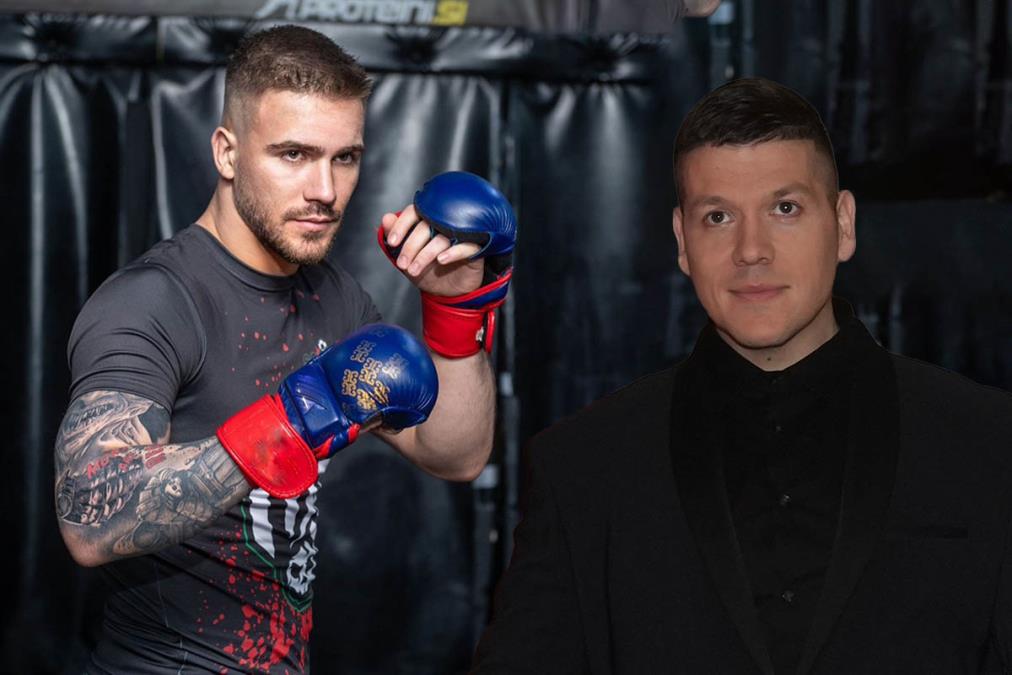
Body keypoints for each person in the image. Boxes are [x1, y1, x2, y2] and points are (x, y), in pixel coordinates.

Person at [471, 77, 1012, 674]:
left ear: (843, 224)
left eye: (785, 208)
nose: (751, 249)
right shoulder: (584, 468)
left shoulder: (990, 445)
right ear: (682, 241)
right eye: (718, 216)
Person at [54, 25, 514, 674]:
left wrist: (455, 312)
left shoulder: (335, 297)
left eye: (344, 157)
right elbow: (88, 518)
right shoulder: (153, 301)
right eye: (294, 154)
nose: (324, 189)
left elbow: (456, 454)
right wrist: (291, 422)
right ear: (227, 152)